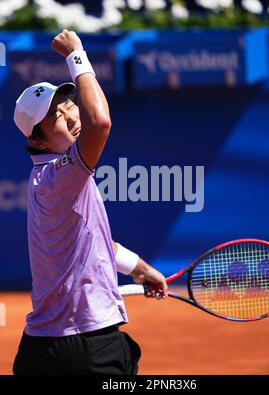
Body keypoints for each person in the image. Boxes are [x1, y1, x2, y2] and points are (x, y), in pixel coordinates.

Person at [12, 29, 168, 375]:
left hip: (41, 349)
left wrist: (140, 269)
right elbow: (100, 123)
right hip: (87, 347)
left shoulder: (48, 179)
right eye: (56, 116)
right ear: (38, 141)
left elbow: (91, 243)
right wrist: (76, 54)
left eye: (69, 104)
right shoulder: (59, 176)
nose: (71, 115)